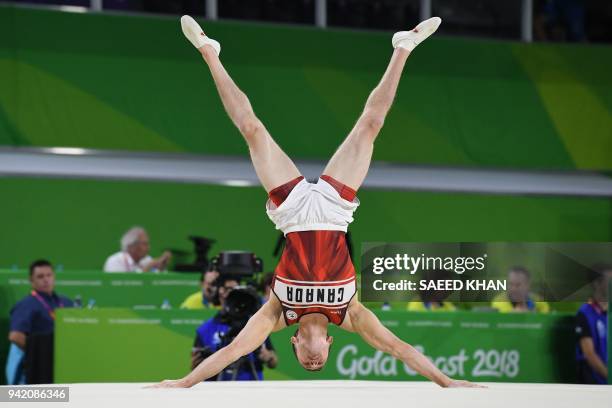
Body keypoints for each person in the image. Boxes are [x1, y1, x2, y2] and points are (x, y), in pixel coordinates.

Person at [151, 15, 482, 388]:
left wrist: (182, 383)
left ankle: (209, 51)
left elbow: (231, 352)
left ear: (292, 341)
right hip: (334, 213)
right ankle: (403, 47)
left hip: (292, 214)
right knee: (370, 125)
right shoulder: (351, 314)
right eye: (319, 361)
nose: (312, 360)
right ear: (329, 343)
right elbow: (400, 349)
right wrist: (447, 381)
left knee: (252, 130)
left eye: (305, 360)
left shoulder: (278, 312)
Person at [191, 276, 278, 380]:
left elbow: (273, 362)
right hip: (216, 390)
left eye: (234, 289)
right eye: (226, 289)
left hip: (252, 388)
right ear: (219, 292)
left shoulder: (254, 325)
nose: (229, 293)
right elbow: (194, 365)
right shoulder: (205, 329)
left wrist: (267, 356)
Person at [7, 260, 74, 383]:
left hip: (66, 364)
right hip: (39, 369)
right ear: (31, 280)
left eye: (49, 275)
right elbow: (15, 336)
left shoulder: (66, 303)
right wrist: (39, 353)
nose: (46, 280)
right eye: (40, 276)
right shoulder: (26, 304)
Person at [575, 264, 611, 384]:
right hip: (593, 385)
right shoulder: (584, 313)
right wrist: (609, 377)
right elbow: (589, 354)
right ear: (597, 284)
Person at [104, 226, 172, 273]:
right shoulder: (114, 261)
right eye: (145, 244)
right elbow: (120, 286)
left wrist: (161, 268)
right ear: (131, 246)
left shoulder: (147, 260)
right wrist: (148, 268)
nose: (148, 247)